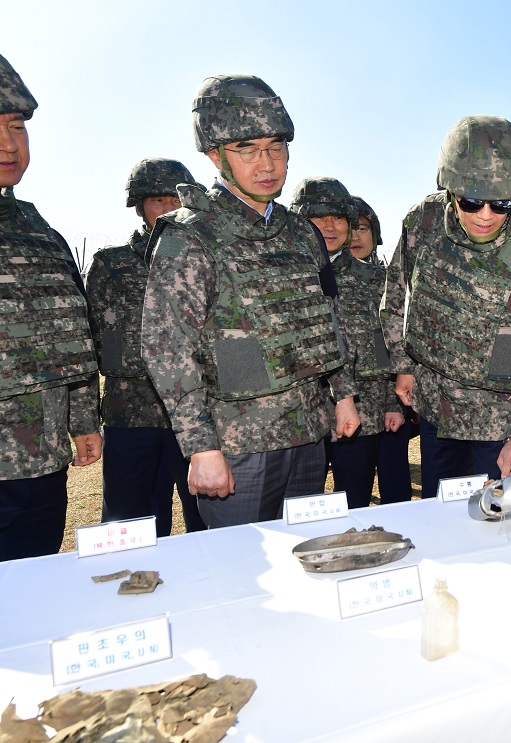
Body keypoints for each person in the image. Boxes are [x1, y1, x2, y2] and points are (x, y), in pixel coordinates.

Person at [141, 74, 360, 529]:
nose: (268, 163)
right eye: (247, 150)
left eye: (276, 147)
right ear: (214, 155)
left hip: (307, 436)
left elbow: (329, 318)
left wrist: (343, 397)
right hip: (237, 447)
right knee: (239, 575)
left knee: (306, 555)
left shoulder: (302, 232)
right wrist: (201, 446)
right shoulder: (188, 236)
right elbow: (167, 348)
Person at [382, 115, 511, 496]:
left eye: (502, 204)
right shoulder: (424, 221)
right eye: (471, 202)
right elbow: (396, 291)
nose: (486, 215)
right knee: (440, 510)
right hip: (437, 410)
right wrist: (402, 367)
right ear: (451, 189)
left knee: (496, 522)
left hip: (499, 423)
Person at [0, 53, 101, 560]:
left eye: (16, 125)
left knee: (30, 591)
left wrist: (83, 421)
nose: (8, 143)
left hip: (39, 461)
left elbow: (72, 336)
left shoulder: (42, 235)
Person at [86, 158, 205, 535]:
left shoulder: (204, 261)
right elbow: (100, 344)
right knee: (129, 523)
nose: (170, 209)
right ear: (139, 207)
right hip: (131, 414)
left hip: (196, 415)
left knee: (207, 518)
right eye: (158, 200)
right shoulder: (112, 264)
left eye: (177, 199)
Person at [290, 178, 404, 509]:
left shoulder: (373, 281)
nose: (329, 226)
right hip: (296, 422)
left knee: (353, 504)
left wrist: (393, 406)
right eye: (318, 217)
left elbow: (387, 347)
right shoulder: (277, 275)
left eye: (338, 218)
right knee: (297, 511)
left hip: (359, 418)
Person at [349, 194, 417, 503]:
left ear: (375, 234)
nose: (354, 236)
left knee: (396, 490)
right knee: (352, 496)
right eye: (348, 227)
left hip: (390, 407)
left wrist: (395, 404)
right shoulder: (322, 282)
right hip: (350, 412)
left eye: (362, 228)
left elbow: (402, 348)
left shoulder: (392, 283)